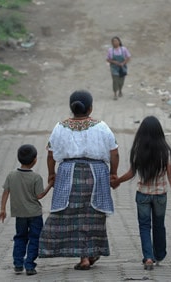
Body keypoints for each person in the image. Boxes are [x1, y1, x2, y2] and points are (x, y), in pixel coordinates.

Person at [39, 90, 119, 270]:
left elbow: (51, 154)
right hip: (96, 175)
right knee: (92, 217)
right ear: (90, 108)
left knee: (72, 216)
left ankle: (82, 257)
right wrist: (113, 174)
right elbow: (114, 153)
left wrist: (51, 174)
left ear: (71, 108)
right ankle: (90, 253)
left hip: (68, 174)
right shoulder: (101, 127)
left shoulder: (60, 127)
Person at [111, 116, 171, 271]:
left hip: (142, 194)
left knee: (144, 226)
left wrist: (117, 181)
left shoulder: (139, 151)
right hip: (160, 195)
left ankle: (148, 258)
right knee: (159, 225)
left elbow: (131, 173)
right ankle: (159, 254)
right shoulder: (166, 152)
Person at [0, 144, 52, 276]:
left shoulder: (11, 175)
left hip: (19, 214)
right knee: (35, 238)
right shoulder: (36, 177)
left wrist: (3, 209)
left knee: (20, 237)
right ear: (34, 160)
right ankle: (29, 265)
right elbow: (39, 195)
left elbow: (6, 192)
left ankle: (17, 263)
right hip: (34, 214)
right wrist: (50, 185)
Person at [106, 36, 131, 100]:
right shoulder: (110, 50)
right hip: (114, 68)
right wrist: (114, 62)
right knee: (115, 81)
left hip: (122, 68)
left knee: (121, 81)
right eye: (113, 41)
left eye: (116, 41)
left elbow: (128, 57)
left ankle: (120, 90)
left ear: (119, 42)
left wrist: (123, 63)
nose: (115, 42)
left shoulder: (123, 49)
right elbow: (108, 59)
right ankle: (115, 94)